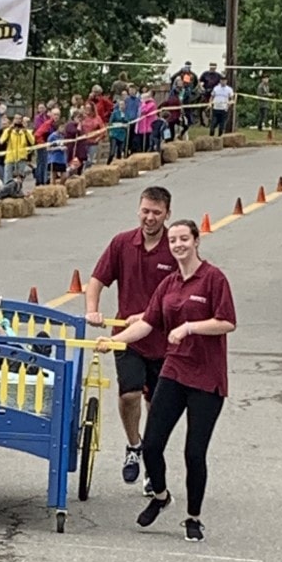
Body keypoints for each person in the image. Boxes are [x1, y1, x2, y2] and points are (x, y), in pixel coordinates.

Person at [96, 218, 236, 542]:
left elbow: (227, 321)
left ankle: (193, 517)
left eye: (183, 239)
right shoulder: (169, 284)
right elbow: (147, 323)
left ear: (196, 241)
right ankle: (160, 496)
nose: (178, 245)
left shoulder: (213, 278)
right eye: (173, 241)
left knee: (193, 453)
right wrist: (116, 341)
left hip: (206, 378)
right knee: (152, 444)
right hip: (174, 371)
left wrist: (190, 327)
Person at [85, 186, 177, 489]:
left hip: (164, 340)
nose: (149, 218)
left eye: (156, 213)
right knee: (130, 394)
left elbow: (185, 293)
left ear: (167, 214)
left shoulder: (174, 249)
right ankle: (133, 446)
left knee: (157, 404)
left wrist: (154, 315)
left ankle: (153, 458)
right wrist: (92, 310)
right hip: (128, 337)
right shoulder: (123, 243)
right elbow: (97, 280)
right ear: (139, 209)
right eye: (145, 211)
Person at [0, 113, 32, 184]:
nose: (18, 121)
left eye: (19, 119)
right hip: (10, 158)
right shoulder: (8, 131)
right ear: (13, 120)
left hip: (21, 159)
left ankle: (18, 192)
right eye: (16, 118)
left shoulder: (25, 132)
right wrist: (9, 129)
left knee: (19, 180)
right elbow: (1, 141)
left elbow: (32, 141)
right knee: (7, 179)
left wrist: (25, 131)